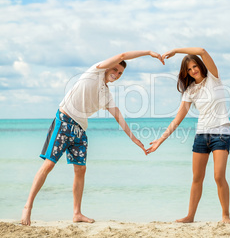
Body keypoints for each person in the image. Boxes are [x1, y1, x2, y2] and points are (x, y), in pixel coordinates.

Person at [21, 50, 163, 226]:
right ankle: (28, 207)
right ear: (109, 65)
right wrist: (149, 53)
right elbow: (122, 55)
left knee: (80, 170)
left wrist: (133, 138)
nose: (117, 74)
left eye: (120, 73)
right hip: (64, 121)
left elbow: (117, 115)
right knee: (49, 164)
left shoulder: (106, 94)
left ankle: (77, 213)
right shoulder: (94, 72)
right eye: (116, 70)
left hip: (80, 130)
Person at [147, 47, 230, 223]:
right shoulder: (190, 91)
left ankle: (225, 215)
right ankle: (190, 216)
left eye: (195, 66)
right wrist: (161, 140)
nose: (193, 70)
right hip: (201, 135)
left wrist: (176, 51)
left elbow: (201, 50)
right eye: (189, 69)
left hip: (220, 134)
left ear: (200, 65)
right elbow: (178, 119)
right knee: (196, 178)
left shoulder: (214, 79)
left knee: (218, 176)